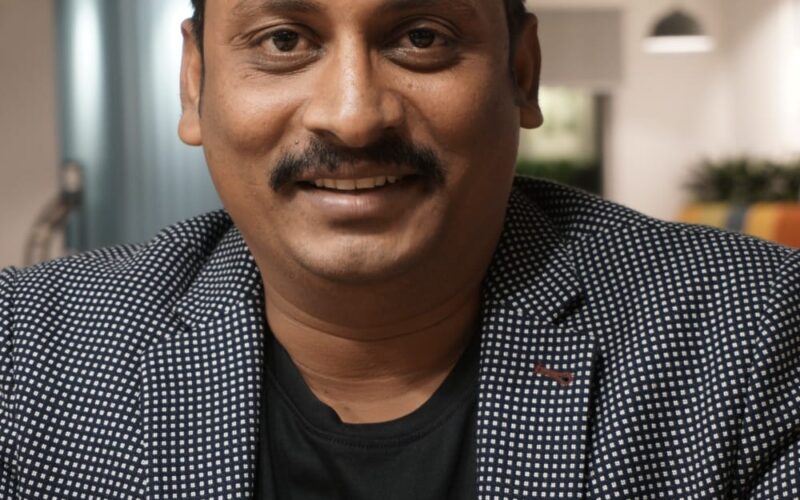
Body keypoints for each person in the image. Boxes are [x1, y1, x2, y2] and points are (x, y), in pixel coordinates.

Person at [1, 0, 798, 498]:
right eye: (284, 39)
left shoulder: (753, 332)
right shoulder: (28, 354)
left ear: (522, 74)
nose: (353, 116)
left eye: (422, 36)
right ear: (195, 82)